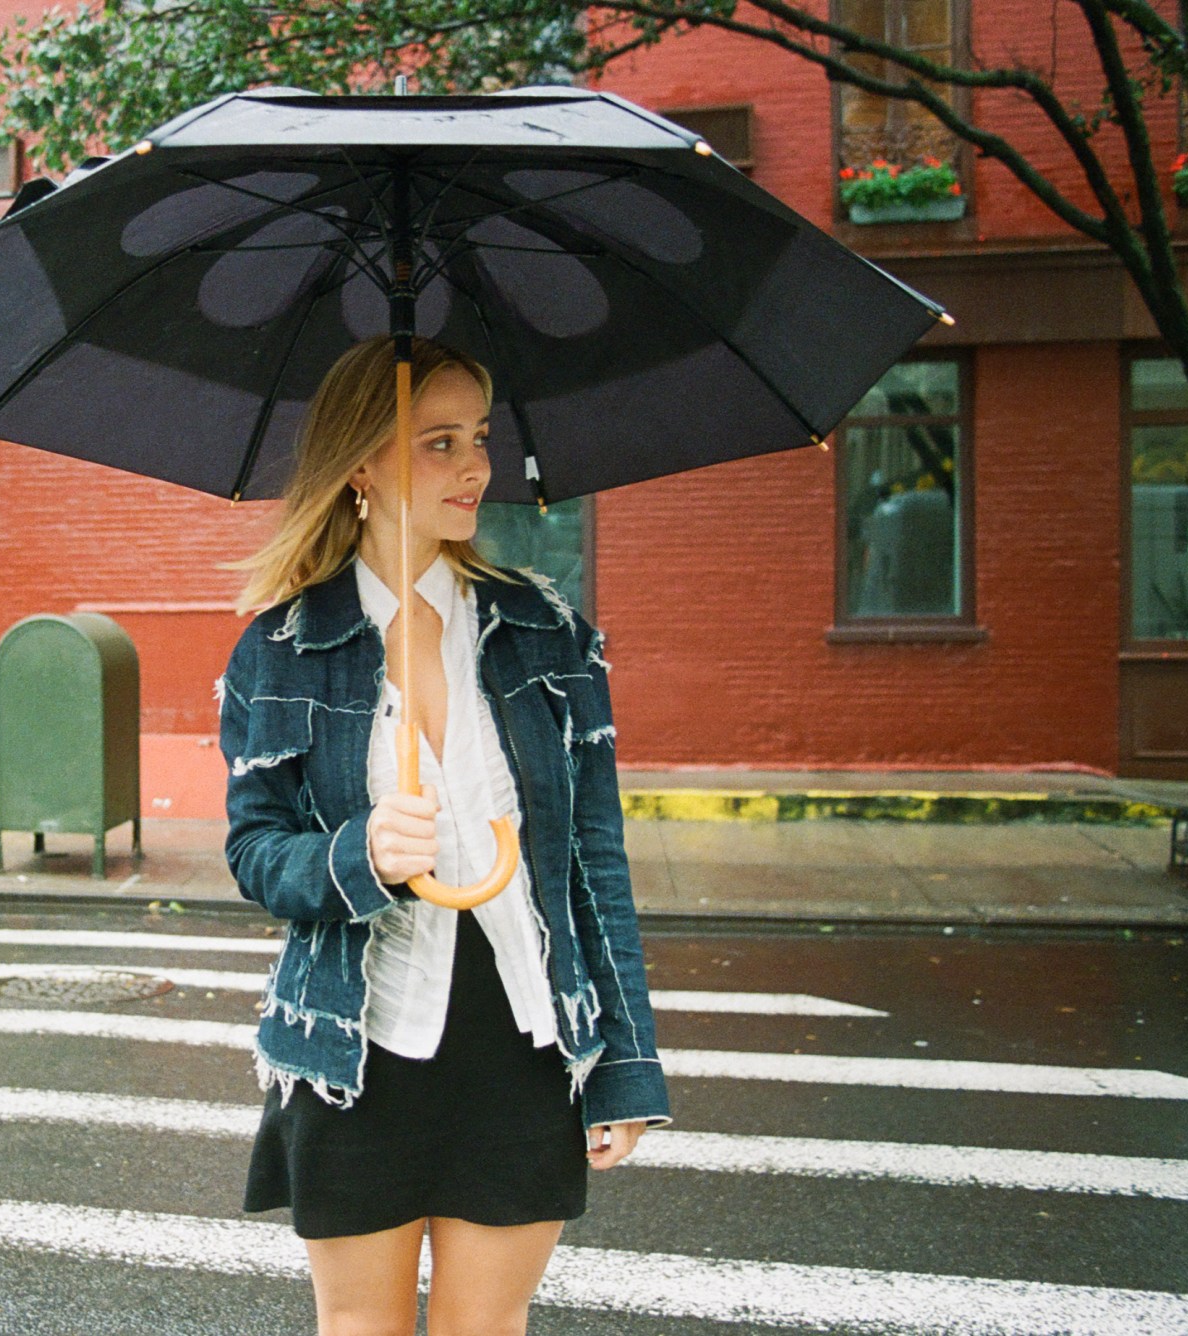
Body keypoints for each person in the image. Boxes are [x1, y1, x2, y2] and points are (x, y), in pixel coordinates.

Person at [219, 335, 671, 1336]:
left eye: (477, 437)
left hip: (519, 1041)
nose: (476, 467)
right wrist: (359, 855)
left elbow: (594, 859)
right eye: (438, 442)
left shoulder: (545, 633)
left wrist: (626, 1066)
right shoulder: (282, 648)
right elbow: (254, 850)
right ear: (360, 467)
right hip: (357, 1047)